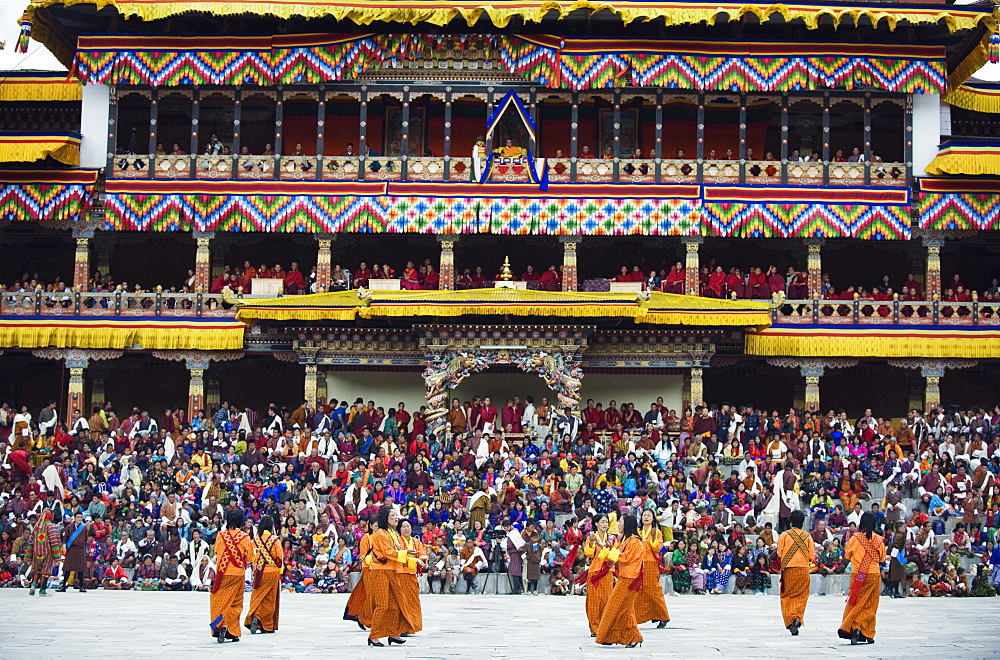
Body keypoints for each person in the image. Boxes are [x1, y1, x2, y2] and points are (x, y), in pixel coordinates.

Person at [367, 505, 420, 647]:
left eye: (396, 515)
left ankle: (393, 633)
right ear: (385, 518)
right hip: (381, 572)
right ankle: (373, 636)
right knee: (382, 605)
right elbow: (388, 553)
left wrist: (411, 557)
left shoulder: (394, 534)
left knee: (396, 605)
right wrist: (406, 553)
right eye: (392, 516)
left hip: (394, 571)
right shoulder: (380, 534)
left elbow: (397, 552)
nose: (396, 518)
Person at [595, 514, 643, 648]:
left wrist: (610, 551)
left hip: (629, 578)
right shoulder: (627, 540)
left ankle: (632, 636)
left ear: (627, 524)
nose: (618, 525)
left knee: (618, 607)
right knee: (622, 608)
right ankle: (614, 636)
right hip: (625, 577)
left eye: (620, 522)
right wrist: (609, 548)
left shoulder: (635, 541)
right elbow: (618, 555)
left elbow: (625, 558)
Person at [838, 512, 886, 645]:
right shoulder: (878, 539)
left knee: (855, 602)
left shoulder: (855, 538)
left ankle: (854, 627)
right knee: (870, 604)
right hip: (873, 574)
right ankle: (868, 633)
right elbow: (881, 558)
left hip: (858, 575)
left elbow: (847, 555)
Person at [210, 508, 254, 643]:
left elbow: (217, 552)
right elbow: (249, 557)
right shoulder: (245, 537)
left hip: (223, 574)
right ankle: (232, 631)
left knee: (220, 601)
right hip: (237, 574)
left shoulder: (220, 535)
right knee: (235, 603)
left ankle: (220, 625)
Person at [777, 510, 815, 636]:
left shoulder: (785, 535)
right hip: (803, 569)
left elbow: (779, 553)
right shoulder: (807, 536)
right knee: (802, 595)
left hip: (789, 569)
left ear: (791, 521)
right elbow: (811, 556)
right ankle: (798, 616)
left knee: (786, 595)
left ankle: (790, 619)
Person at [245, 514, 283, 634]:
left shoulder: (255, 540)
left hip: (259, 571)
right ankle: (266, 624)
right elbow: (279, 558)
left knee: (257, 596)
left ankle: (255, 615)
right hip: (271, 572)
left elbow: (251, 557)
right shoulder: (274, 540)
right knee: (269, 598)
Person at [634, 509, 670, 628]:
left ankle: (663, 616)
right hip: (639, 564)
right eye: (644, 515)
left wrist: (654, 538)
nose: (646, 517)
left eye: (649, 515)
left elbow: (657, 548)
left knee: (654, 590)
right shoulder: (638, 532)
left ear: (653, 518)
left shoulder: (657, 532)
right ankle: (641, 617)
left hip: (651, 564)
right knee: (639, 591)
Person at [583, 513, 616, 637]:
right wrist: (592, 544)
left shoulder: (612, 538)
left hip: (608, 571)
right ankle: (594, 628)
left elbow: (614, 555)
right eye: (602, 522)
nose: (605, 524)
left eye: (606, 522)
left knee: (606, 600)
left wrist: (606, 549)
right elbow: (589, 553)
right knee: (593, 601)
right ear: (596, 524)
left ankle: (605, 626)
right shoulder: (591, 537)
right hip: (595, 570)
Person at [395, 519, 426, 635]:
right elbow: (397, 555)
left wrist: (423, 559)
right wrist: (415, 560)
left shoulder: (416, 541)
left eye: (408, 526)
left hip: (412, 574)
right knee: (401, 601)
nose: (406, 529)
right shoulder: (397, 541)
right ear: (399, 529)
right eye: (403, 527)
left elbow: (422, 552)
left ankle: (412, 625)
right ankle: (401, 626)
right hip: (399, 573)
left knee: (412, 601)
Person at [344, 514, 374, 630]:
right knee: (366, 594)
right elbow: (363, 555)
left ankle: (365, 617)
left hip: (379, 569)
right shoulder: (366, 538)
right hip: (368, 568)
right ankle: (361, 615)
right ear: (370, 526)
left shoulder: (383, 536)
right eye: (375, 526)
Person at [25, 509, 63, 596]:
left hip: (36, 552)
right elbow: (54, 542)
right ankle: (42, 591)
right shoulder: (50, 526)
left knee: (36, 570)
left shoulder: (37, 527)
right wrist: (57, 557)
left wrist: (28, 556)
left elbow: (31, 542)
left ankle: (33, 584)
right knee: (45, 571)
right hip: (47, 553)